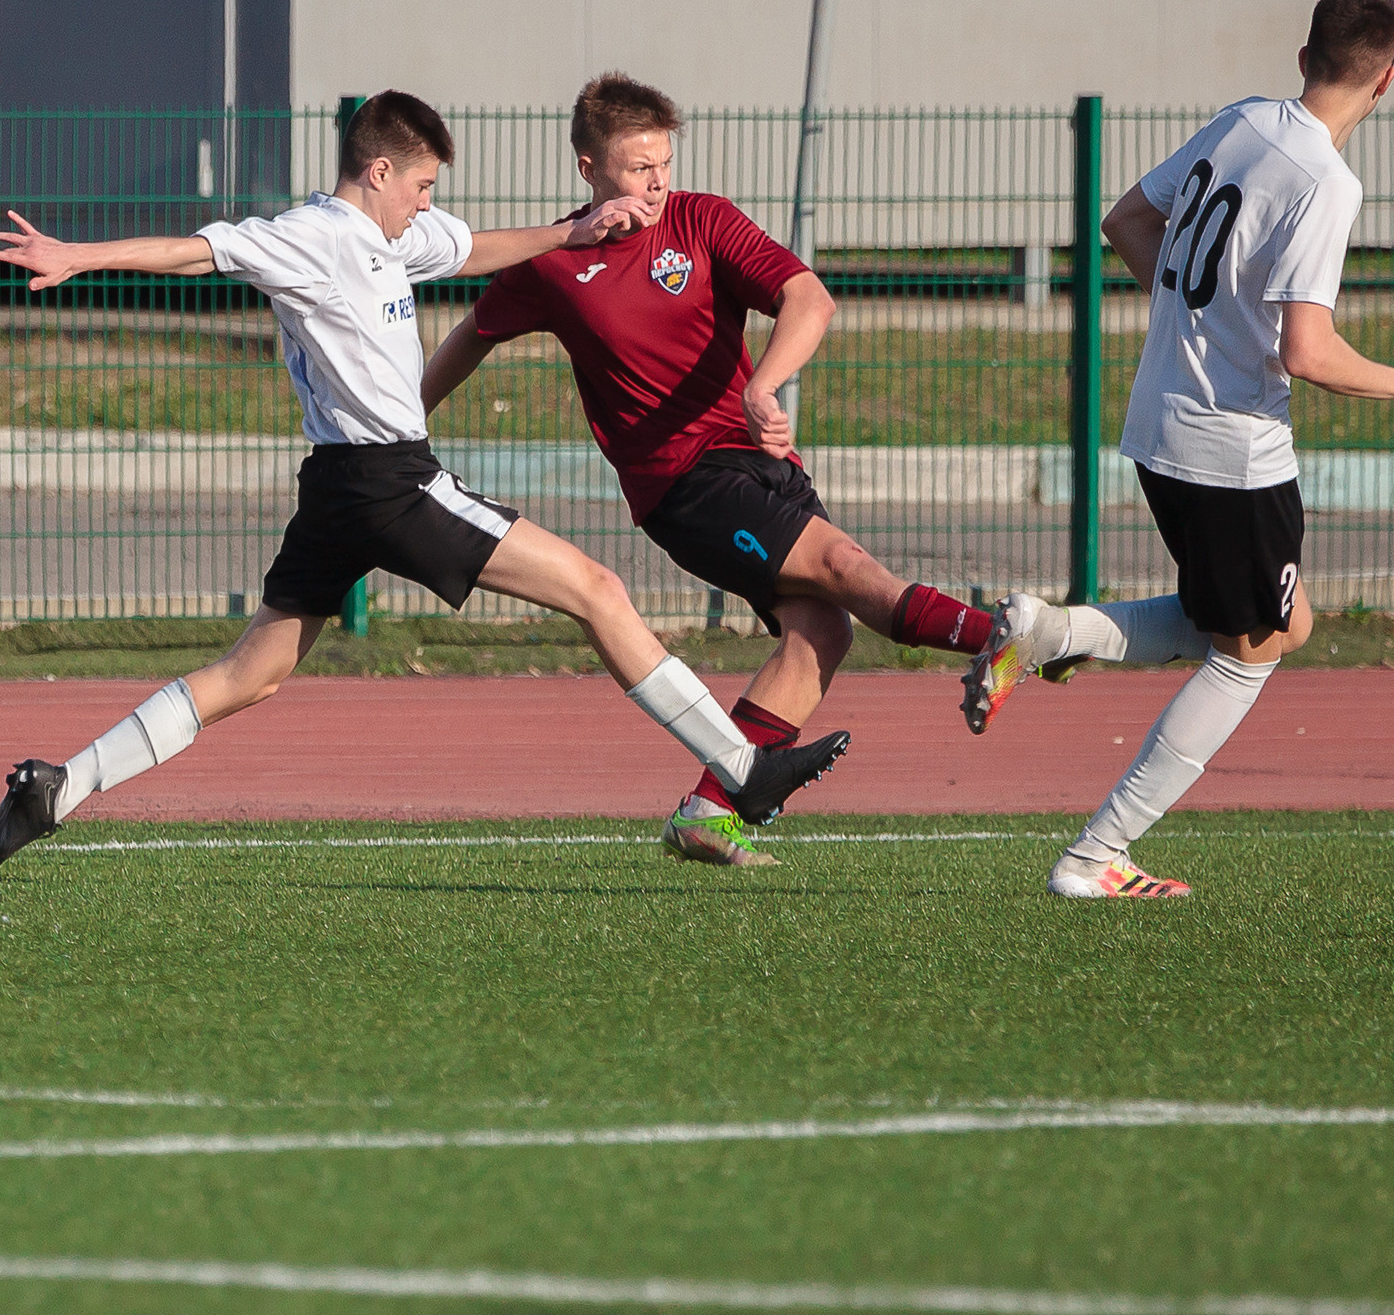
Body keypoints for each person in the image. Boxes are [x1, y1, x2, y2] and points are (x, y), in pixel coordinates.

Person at [0, 91, 849, 868]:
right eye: (420, 186)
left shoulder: (396, 235)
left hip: (339, 491)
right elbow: (194, 251)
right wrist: (79, 256)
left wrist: (570, 233)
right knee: (596, 588)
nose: (427, 206)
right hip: (388, 482)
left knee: (253, 670)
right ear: (378, 170)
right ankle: (742, 768)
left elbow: (472, 248)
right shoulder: (309, 237)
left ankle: (61, 784)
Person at [961, 0, 1394, 898]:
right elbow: (1305, 352)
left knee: (1276, 620)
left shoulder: (1244, 121)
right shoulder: (1325, 180)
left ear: (1302, 54)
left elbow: (1125, 221)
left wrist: (1190, 317)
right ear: (1387, 79)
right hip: (1233, 449)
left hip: (1158, 420)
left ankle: (1051, 631)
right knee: (1251, 648)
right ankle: (1094, 856)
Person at [422, 72, 997, 868]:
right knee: (843, 566)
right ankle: (998, 637)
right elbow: (472, 334)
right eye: (636, 167)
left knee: (819, 632)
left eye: (663, 163)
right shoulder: (556, 263)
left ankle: (707, 812)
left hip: (762, 465)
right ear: (588, 169)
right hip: (682, 486)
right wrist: (403, 415)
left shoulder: (702, 220)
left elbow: (808, 298)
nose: (657, 183)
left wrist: (763, 384)